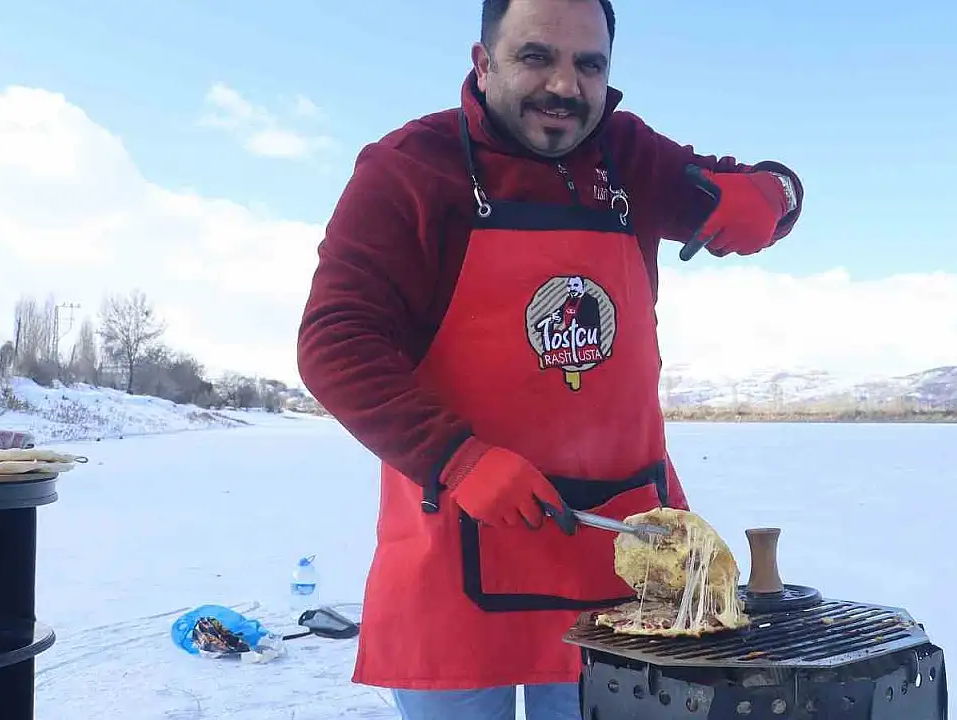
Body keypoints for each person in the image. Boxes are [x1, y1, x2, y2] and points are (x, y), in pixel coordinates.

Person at [295, 0, 805, 718]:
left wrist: (770, 197)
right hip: (456, 551)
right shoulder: (410, 170)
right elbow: (336, 341)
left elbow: (767, 187)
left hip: (622, 556)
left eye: (588, 64)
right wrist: (459, 460)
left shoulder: (627, 156)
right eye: (536, 57)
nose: (565, 86)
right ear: (483, 63)